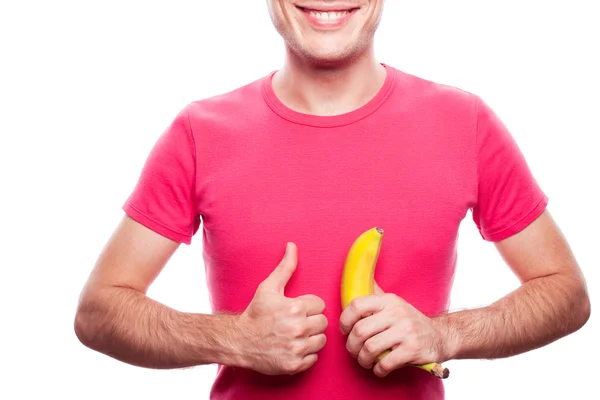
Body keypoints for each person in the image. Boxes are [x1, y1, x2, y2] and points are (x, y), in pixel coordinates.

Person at [74, 1, 590, 399]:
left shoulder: (464, 121)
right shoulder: (199, 132)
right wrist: (234, 339)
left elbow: (566, 294)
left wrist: (443, 335)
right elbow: (98, 312)